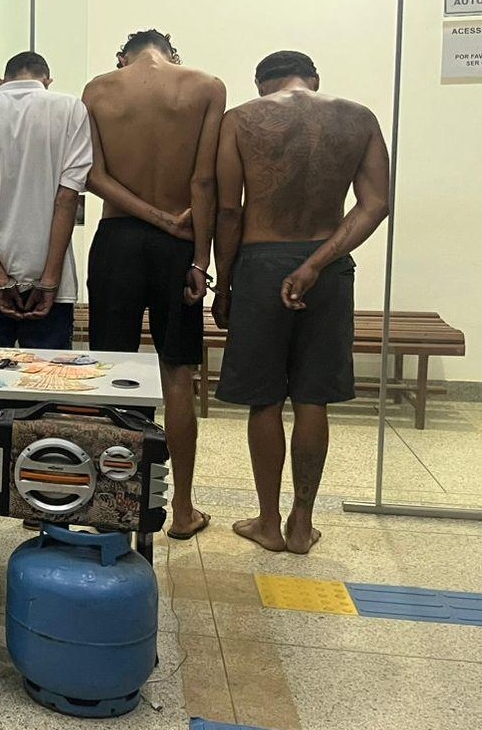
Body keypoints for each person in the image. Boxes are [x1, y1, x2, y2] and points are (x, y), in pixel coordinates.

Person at [214, 51, 390, 555]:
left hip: (260, 264)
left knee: (265, 399)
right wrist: (316, 263)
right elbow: (376, 204)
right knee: (313, 399)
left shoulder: (240, 119)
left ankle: (268, 523)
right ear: (313, 78)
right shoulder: (359, 118)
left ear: (261, 84)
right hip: (327, 268)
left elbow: (229, 210)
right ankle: (301, 524)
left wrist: (224, 284)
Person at [82, 29, 226, 540]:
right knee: (178, 374)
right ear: (173, 53)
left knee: (111, 373)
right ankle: (181, 510)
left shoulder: (99, 89)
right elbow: (204, 182)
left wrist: (149, 216)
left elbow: (94, 176)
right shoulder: (206, 86)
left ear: (121, 57)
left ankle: (111, 507)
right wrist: (200, 258)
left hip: (117, 240)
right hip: (180, 243)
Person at [0, 51, 92, 351]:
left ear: (1, 81)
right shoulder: (71, 108)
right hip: (52, 280)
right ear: (48, 81)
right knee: (47, 375)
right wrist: (49, 280)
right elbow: (68, 198)